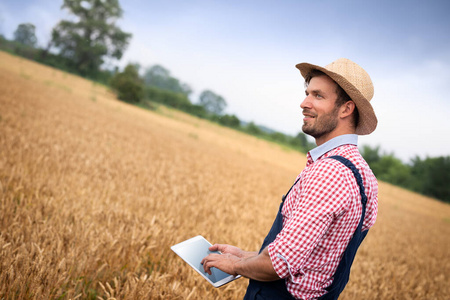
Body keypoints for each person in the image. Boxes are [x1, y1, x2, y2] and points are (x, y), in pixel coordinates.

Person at [201, 58, 379, 300]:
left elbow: (278, 264)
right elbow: (311, 258)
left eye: (318, 96)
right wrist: (242, 256)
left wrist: (234, 267)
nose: (304, 103)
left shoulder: (329, 173)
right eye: (307, 93)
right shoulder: (364, 174)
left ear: (346, 109)